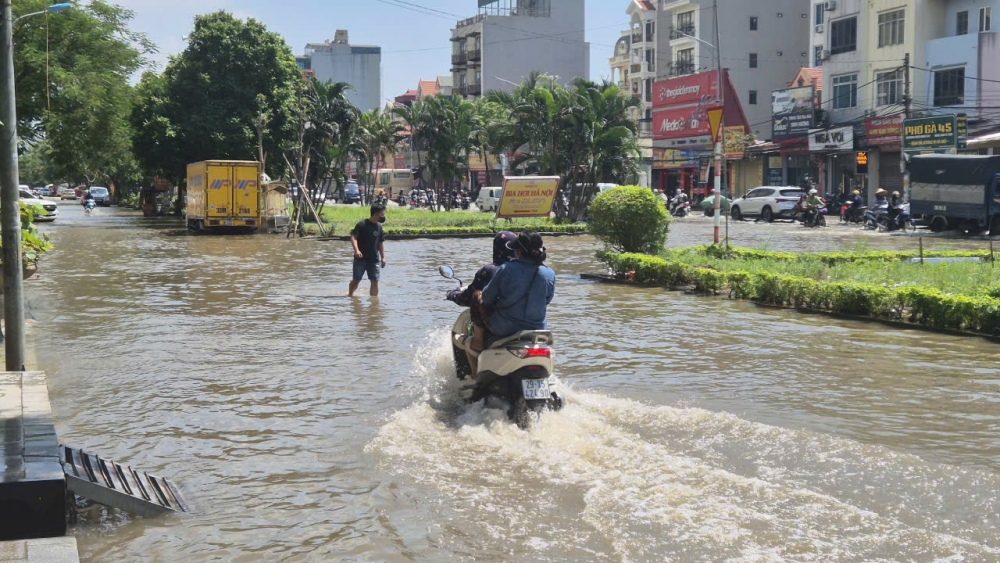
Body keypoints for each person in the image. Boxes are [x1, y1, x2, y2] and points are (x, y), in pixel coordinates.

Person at [446, 231, 517, 374]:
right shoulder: (529, 271)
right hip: (528, 325)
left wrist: (452, 295)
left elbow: (469, 297)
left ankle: (474, 377)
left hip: (498, 325)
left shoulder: (490, 270)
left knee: (464, 339)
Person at [481, 231, 556, 339]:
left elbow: (487, 297)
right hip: (538, 330)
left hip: (504, 328)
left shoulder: (506, 269)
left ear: (519, 252)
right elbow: (547, 300)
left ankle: (476, 344)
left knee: (477, 297)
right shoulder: (550, 273)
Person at [349, 205, 386, 297]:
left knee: (375, 282)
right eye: (382, 214)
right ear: (376, 214)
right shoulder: (362, 225)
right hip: (360, 259)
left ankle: (373, 301)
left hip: (374, 259)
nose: (383, 216)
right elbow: (353, 237)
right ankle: (350, 295)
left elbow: (380, 243)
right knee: (356, 280)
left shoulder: (379, 227)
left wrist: (383, 257)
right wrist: (356, 250)